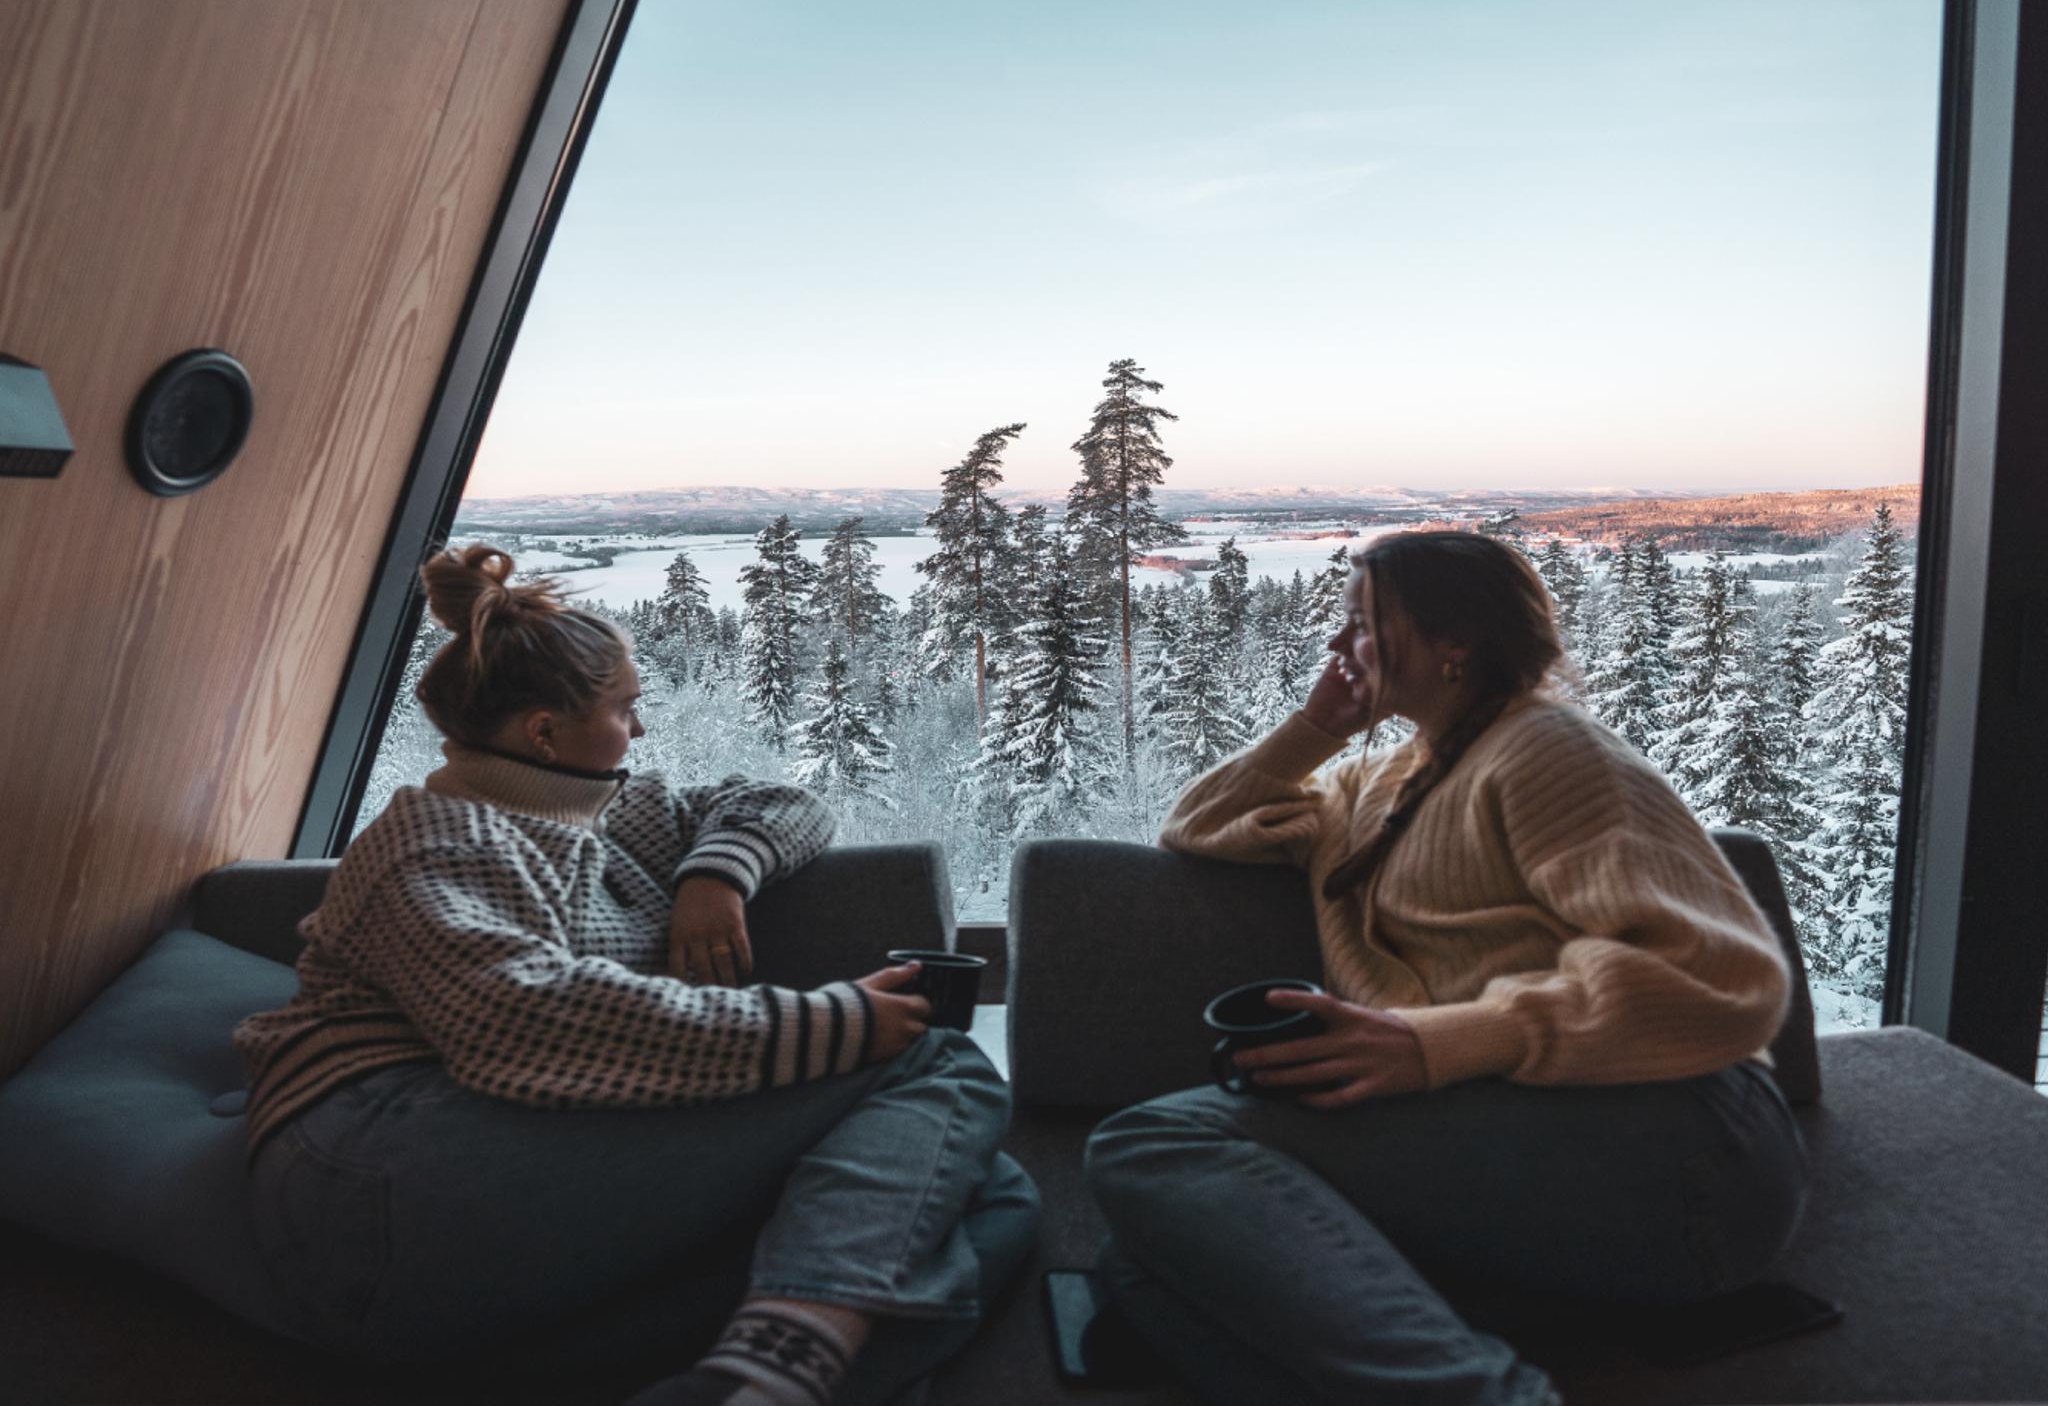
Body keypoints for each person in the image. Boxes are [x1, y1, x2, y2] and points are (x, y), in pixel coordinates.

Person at [234, 545, 1036, 1406]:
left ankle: (750, 1378)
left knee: (995, 1200)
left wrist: (714, 876)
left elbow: (788, 803)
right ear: (544, 730)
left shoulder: (615, 815)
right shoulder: (435, 843)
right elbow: (522, 1024)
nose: (640, 730)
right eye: (626, 708)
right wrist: (834, 1025)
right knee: (935, 1068)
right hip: (379, 1174)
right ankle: (784, 1366)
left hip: (511, 1169)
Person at [1084, 530, 1807, 1406]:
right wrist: (1315, 728)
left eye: (1360, 624)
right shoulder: (1379, 782)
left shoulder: (1548, 752)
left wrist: (1435, 1044)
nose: (1334, 645)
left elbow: (1718, 980)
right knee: (1146, 1270)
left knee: (1151, 1146)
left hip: (1684, 1142)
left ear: (1454, 642)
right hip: (1518, 1135)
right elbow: (1196, 825)